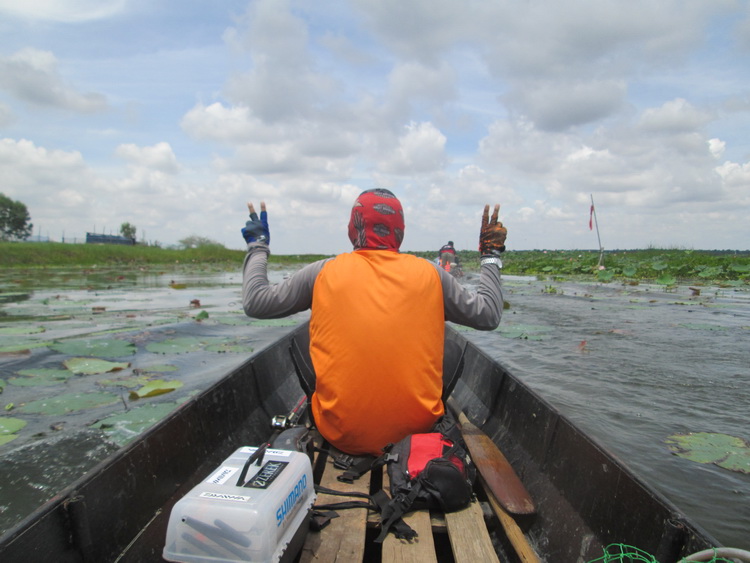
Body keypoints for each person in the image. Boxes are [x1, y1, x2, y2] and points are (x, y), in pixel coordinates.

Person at [241, 189, 506, 456]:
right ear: (400, 231)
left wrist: (258, 246)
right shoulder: (431, 273)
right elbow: (489, 315)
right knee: (451, 348)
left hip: (340, 435)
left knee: (302, 337)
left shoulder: (323, 272)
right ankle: (420, 416)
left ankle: (335, 413)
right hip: (416, 433)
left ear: (353, 227)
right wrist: (491, 254)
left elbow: (256, 302)